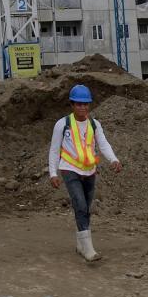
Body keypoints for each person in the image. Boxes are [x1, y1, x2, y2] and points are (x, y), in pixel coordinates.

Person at [48, 84, 122, 262]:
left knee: (86, 207)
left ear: (89, 105)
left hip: (89, 170)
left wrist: (113, 159)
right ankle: (88, 249)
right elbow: (54, 149)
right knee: (80, 204)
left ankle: (81, 244)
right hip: (69, 168)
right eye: (78, 104)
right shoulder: (62, 124)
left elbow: (103, 144)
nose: (82, 107)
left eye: (85, 104)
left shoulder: (94, 124)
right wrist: (53, 173)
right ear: (72, 105)